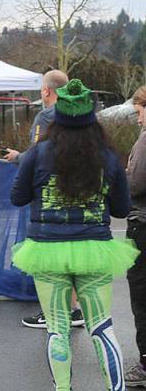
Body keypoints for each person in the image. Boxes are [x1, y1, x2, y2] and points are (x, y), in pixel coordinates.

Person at [10, 79, 138, 391]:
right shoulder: (108, 157)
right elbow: (122, 209)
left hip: (47, 250)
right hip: (94, 249)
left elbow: (17, 197)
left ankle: (63, 388)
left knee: (57, 328)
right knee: (102, 326)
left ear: (58, 117)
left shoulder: (37, 154)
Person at [4, 70, 85, 329]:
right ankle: (73, 309)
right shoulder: (81, 115)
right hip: (79, 192)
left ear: (47, 91)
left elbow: (37, 153)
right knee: (70, 254)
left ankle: (51, 311)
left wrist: (18, 158)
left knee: (47, 256)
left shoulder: (45, 116)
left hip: (49, 194)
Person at [125, 85, 146, 387]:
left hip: (143, 224)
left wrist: (124, 175)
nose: (139, 119)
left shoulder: (145, 141)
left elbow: (136, 183)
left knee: (142, 296)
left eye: (140, 112)